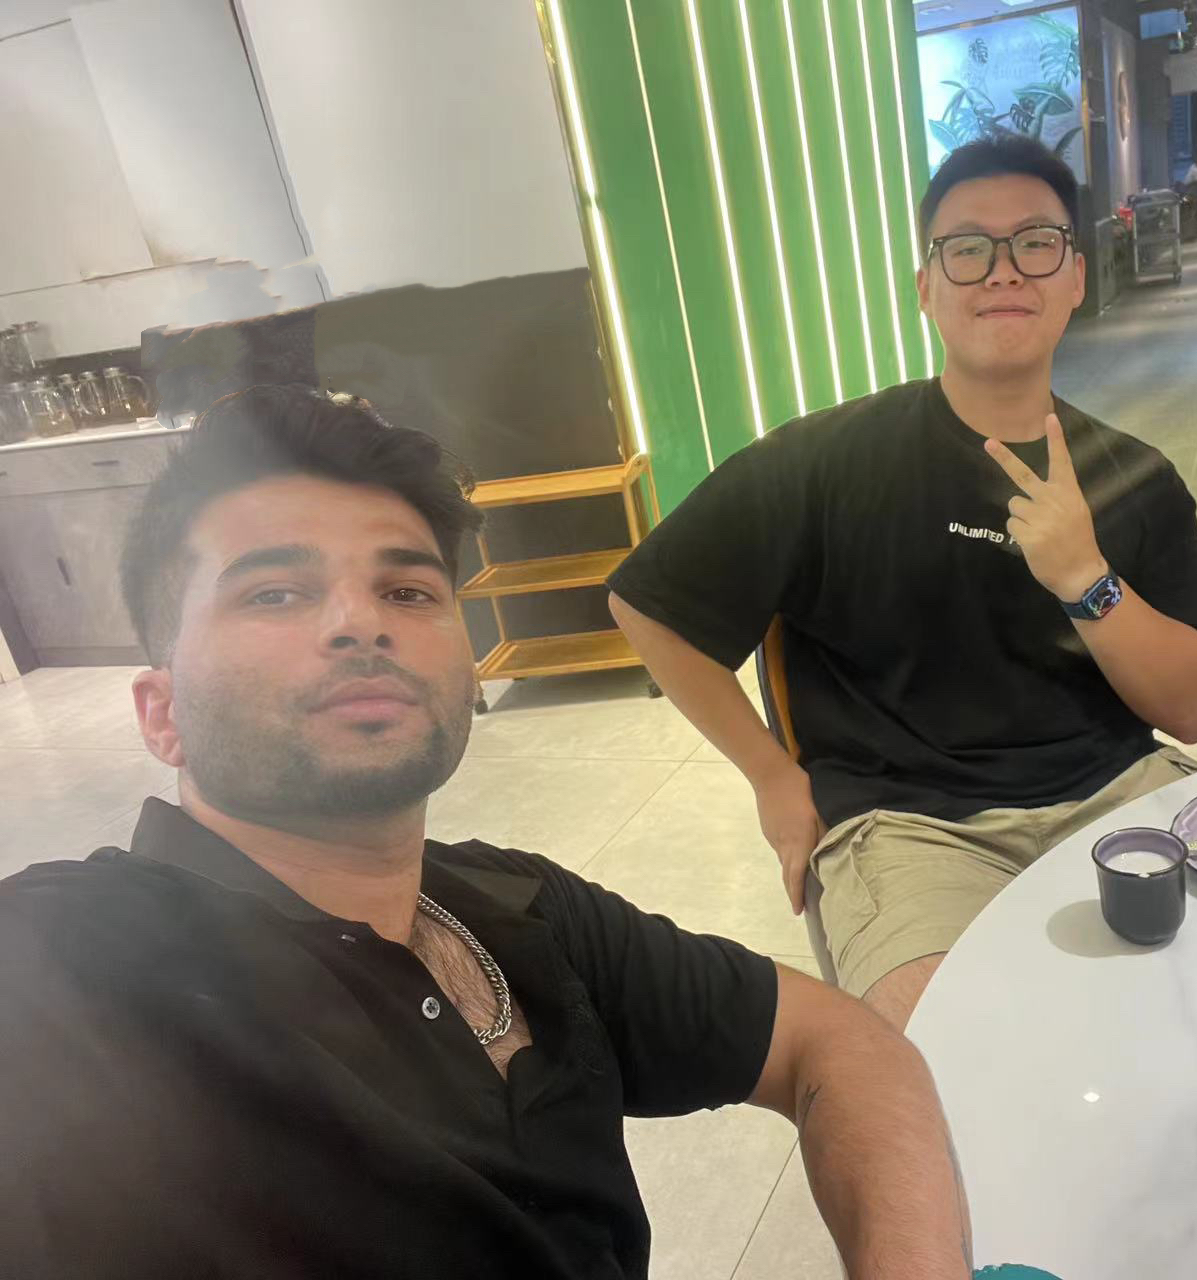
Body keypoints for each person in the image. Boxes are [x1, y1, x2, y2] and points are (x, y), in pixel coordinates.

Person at [0, 386, 974, 1279]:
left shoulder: (516, 906)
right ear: (161, 711)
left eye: (408, 590)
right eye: (275, 592)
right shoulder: (69, 971)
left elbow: (840, 1042)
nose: (360, 622)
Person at [608, 136, 1197, 1029]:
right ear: (925, 288)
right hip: (905, 825)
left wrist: (1085, 578)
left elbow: (1192, 710)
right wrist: (771, 776)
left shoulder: (1136, 478)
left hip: (1116, 788)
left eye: (1036, 243)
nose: (1003, 270)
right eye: (967, 248)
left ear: (1075, 276)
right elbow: (648, 603)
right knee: (942, 1054)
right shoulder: (823, 460)